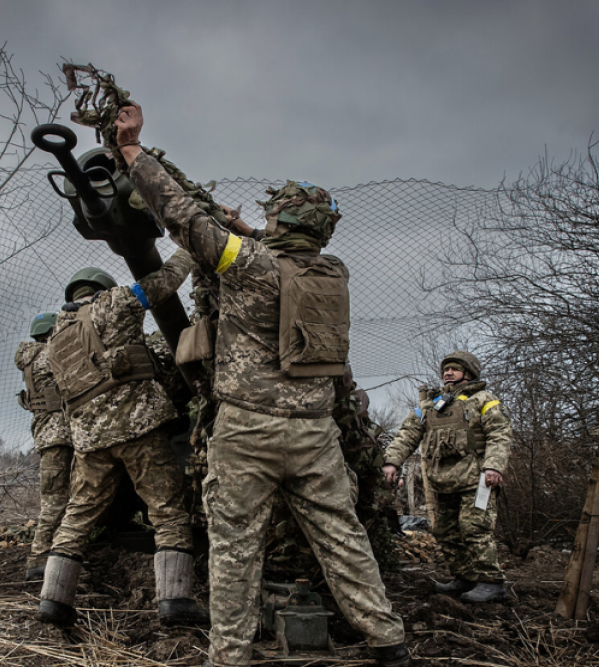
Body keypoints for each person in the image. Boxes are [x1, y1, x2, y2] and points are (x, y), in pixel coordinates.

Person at [115, 103, 410, 667]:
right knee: (342, 538)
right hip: (315, 434)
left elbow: (178, 214)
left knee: (234, 545)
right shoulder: (333, 272)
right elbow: (279, 252)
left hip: (247, 429)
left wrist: (132, 150)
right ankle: (388, 640)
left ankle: (228, 655)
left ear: (281, 225)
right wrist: (247, 228)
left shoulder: (246, 264)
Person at [37, 260, 209, 627]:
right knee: (167, 510)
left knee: (77, 517)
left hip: (88, 442)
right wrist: (189, 246)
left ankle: (53, 601)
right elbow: (162, 283)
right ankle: (176, 600)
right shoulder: (113, 302)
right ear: (102, 288)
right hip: (138, 429)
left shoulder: (54, 336)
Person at [382, 351, 514, 603]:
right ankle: (464, 578)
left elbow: (500, 434)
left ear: (469, 373)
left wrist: (494, 467)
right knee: (444, 531)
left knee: (474, 528)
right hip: (441, 482)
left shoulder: (484, 400)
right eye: (446, 369)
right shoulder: (430, 406)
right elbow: (407, 435)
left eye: (454, 368)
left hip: (477, 481)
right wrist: (391, 462)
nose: (448, 373)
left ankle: (491, 582)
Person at [14, 312, 73, 582]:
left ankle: (48, 556)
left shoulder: (30, 358)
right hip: (60, 435)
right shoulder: (48, 355)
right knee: (56, 500)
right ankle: (39, 559)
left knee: (56, 497)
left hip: (48, 436)